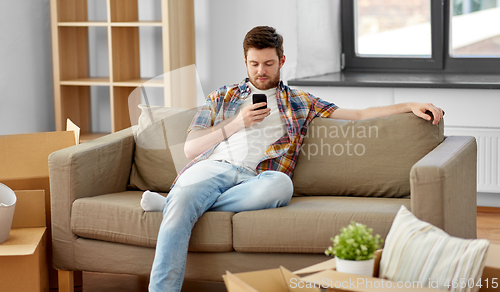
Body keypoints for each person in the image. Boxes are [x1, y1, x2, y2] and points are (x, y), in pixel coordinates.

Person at [143, 25, 444, 291]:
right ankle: (179, 208)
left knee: (281, 185)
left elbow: (359, 115)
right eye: (254, 63)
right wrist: (238, 123)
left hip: (255, 181)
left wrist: (410, 104)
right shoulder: (223, 96)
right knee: (185, 204)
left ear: (281, 61)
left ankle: (174, 203)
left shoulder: (300, 101)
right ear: (245, 62)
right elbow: (191, 149)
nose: (261, 71)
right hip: (210, 169)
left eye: (269, 63)